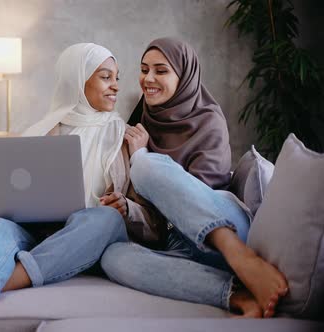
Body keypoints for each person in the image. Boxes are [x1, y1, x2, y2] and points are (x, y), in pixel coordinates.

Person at [0, 43, 151, 332]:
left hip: (84, 239)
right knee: (0, 225)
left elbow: (150, 221)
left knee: (105, 217)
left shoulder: (124, 137)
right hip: (38, 232)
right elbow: (9, 193)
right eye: (105, 77)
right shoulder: (42, 131)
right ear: (78, 79)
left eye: (117, 77)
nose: (115, 86)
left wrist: (126, 206)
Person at [100, 37, 288, 318]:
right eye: (144, 69)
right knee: (113, 257)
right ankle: (236, 293)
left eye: (161, 71)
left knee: (145, 166)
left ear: (185, 76)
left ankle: (243, 258)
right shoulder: (143, 120)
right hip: (179, 241)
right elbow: (154, 219)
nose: (148, 78)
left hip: (225, 225)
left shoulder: (208, 121)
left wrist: (141, 157)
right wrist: (127, 208)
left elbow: (199, 194)